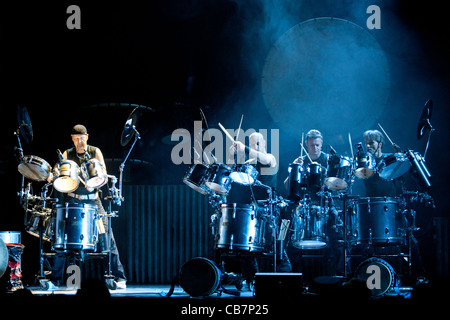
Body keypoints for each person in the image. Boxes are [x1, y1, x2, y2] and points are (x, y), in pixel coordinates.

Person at [51, 124, 127, 288]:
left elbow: (104, 176)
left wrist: (95, 184)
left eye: (82, 138)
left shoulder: (94, 151)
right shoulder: (67, 154)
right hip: (73, 200)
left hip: (93, 200)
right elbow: (61, 175)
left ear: (87, 137)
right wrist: (55, 176)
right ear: (72, 138)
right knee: (64, 237)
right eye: (76, 138)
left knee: (106, 236)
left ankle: (119, 277)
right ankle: (55, 279)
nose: (79, 141)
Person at [223, 132, 291, 288]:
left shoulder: (270, 158)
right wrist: (231, 153)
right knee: (247, 246)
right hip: (253, 209)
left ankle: (286, 282)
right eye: (253, 144)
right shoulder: (249, 163)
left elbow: (264, 159)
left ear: (265, 142)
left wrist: (245, 147)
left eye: (258, 144)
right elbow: (229, 171)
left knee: (276, 247)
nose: (256, 147)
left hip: (270, 209)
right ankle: (252, 280)